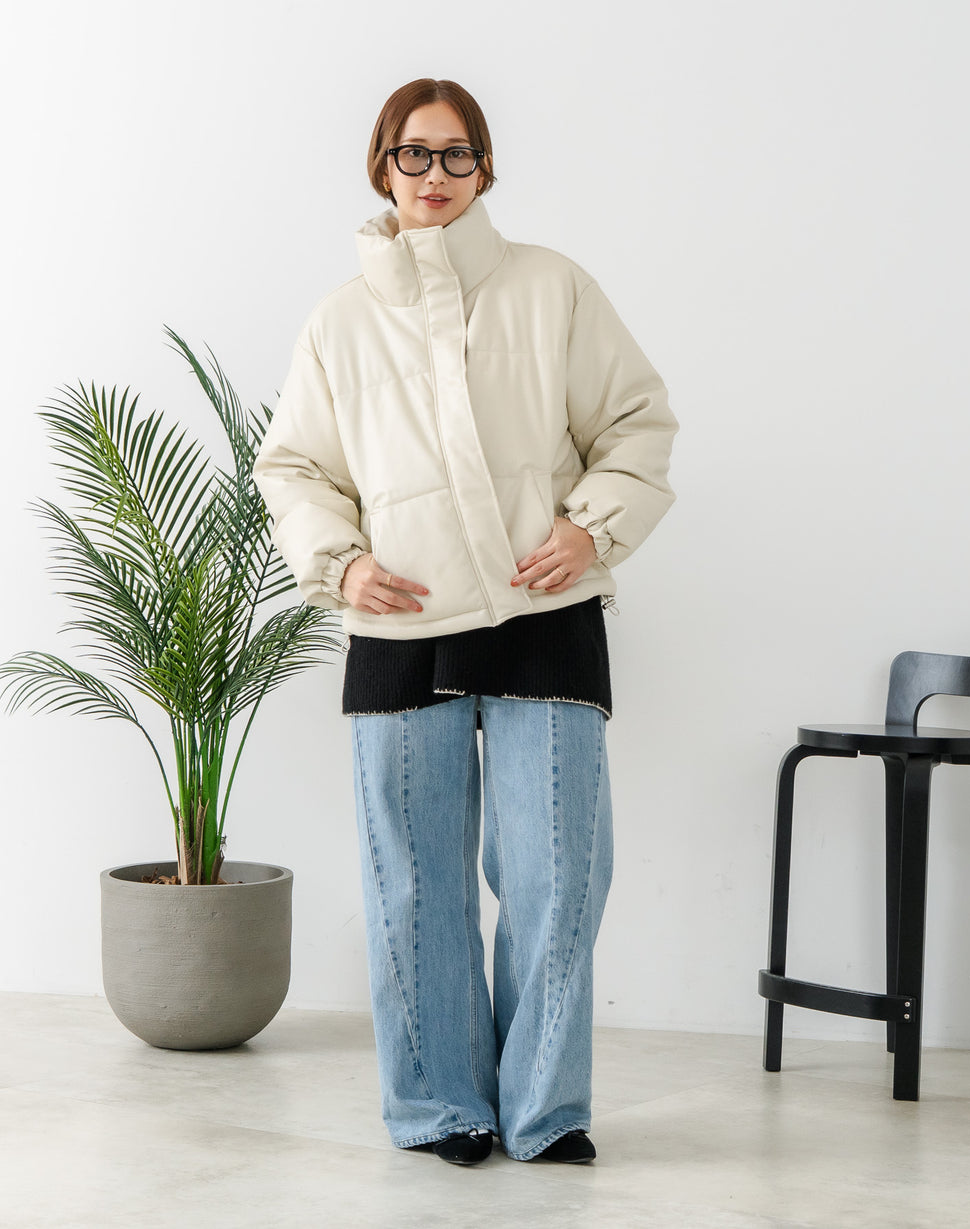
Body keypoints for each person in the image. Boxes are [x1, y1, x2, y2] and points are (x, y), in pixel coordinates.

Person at [253, 78, 678, 1166]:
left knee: (556, 875)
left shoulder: (552, 287)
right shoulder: (339, 322)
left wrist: (591, 528)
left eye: (455, 154)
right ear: (381, 165)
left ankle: (544, 1108)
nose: (433, 174)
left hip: (544, 612)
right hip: (399, 623)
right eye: (414, 153)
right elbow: (293, 466)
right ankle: (445, 1104)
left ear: (486, 167)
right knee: (412, 882)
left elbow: (637, 420)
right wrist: (340, 563)